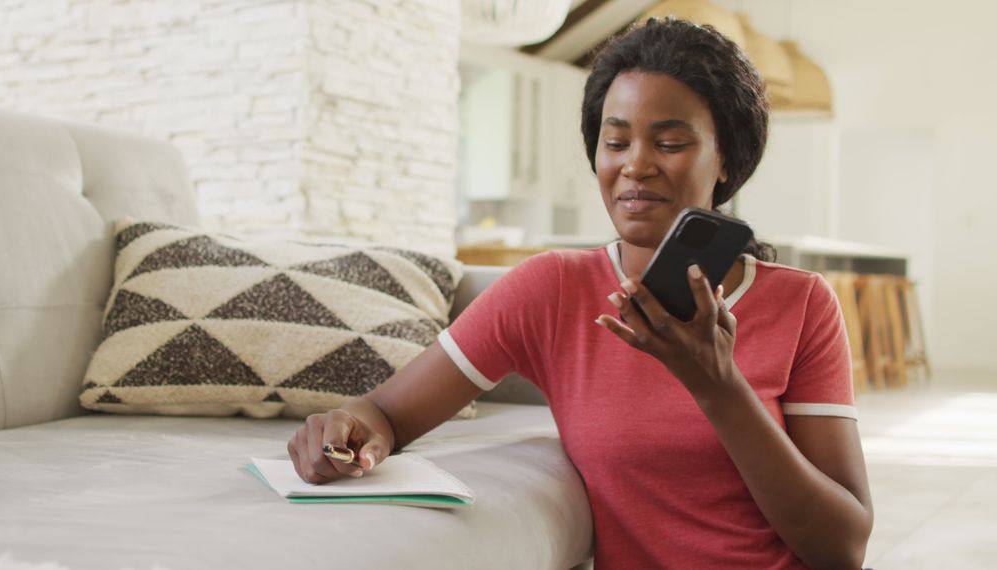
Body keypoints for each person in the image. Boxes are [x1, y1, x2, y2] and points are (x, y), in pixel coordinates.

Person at [287, 17, 873, 569]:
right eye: (615, 143)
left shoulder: (802, 305)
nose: (636, 165)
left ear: (726, 160)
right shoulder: (554, 290)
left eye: (669, 143)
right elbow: (387, 411)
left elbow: (842, 547)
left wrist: (718, 386)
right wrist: (344, 430)